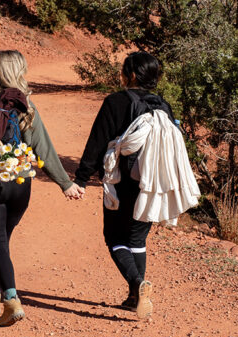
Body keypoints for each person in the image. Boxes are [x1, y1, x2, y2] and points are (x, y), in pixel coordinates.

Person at [0, 50, 84, 327]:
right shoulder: (27, 106)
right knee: (1, 242)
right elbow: (43, 147)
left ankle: (11, 301)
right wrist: (65, 183)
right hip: (21, 185)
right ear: (19, 72)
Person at [74, 51, 173, 320]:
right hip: (153, 182)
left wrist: (82, 177)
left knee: (115, 237)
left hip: (121, 182)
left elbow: (97, 140)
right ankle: (133, 298)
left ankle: (136, 285)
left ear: (129, 75)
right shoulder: (163, 106)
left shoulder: (116, 101)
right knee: (138, 238)